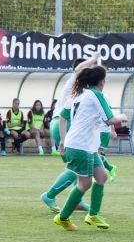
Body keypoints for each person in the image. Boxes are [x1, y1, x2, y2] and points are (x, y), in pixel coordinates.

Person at [53, 66, 125, 231]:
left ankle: (93, 215)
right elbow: (110, 120)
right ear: (101, 82)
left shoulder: (79, 95)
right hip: (81, 146)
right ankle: (63, 217)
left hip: (85, 145)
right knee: (84, 184)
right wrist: (123, 117)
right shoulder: (96, 95)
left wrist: (64, 141)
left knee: (101, 177)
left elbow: (63, 116)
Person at [40, 56, 98, 214]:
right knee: (76, 168)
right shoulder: (74, 79)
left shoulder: (81, 89)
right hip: (63, 124)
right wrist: (95, 58)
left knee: (77, 168)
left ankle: (76, 200)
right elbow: (79, 69)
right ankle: (50, 195)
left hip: (60, 124)